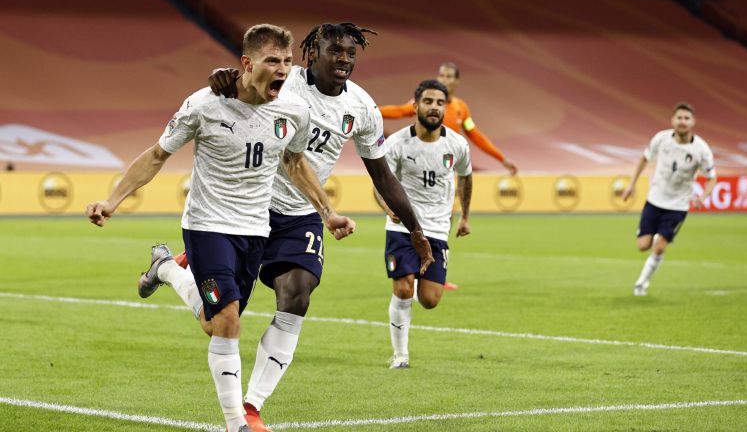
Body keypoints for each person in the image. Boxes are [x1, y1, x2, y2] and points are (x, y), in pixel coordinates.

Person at [139, 23, 434, 431]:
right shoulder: (286, 80)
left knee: (297, 295)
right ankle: (170, 269)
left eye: (351, 52)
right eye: (335, 50)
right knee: (220, 322)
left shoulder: (363, 108)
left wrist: (417, 232)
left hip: (301, 214)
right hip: (247, 209)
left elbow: (383, 175)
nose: (344, 59)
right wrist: (223, 76)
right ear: (312, 53)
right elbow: (244, 78)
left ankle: (251, 406)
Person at [87, 24, 356, 432]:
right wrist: (112, 200)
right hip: (207, 225)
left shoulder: (293, 112)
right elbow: (158, 154)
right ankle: (237, 423)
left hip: (256, 228)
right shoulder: (204, 105)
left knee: (215, 323)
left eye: (287, 61)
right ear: (247, 64)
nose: (283, 69)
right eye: (272, 61)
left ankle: (166, 269)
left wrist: (327, 212)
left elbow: (295, 163)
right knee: (229, 320)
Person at [374, 80, 472, 369]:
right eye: (428, 102)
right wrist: (387, 207)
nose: (434, 107)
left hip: (438, 228)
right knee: (403, 290)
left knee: (430, 300)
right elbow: (380, 183)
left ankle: (417, 282)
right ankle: (400, 355)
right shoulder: (396, 144)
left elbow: (466, 177)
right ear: (415, 106)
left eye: (440, 103)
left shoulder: (456, 144)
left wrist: (465, 215)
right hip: (403, 227)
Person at [622, 102, 716, 297]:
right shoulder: (661, 139)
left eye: (686, 119)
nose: (682, 122)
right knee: (642, 246)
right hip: (655, 199)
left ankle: (641, 283)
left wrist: (703, 197)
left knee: (660, 247)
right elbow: (644, 158)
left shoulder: (701, 149)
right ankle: (656, 237)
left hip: (678, 205)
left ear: (693, 122)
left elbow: (711, 177)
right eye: (679, 118)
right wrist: (632, 184)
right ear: (673, 120)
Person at [379, 62, 516, 175]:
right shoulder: (426, 102)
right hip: (423, 162)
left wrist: (502, 159)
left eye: (449, 76)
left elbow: (475, 136)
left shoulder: (461, 108)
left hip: (447, 164)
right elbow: (400, 111)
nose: (444, 79)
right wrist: (372, 111)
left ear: (456, 81)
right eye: (441, 75)